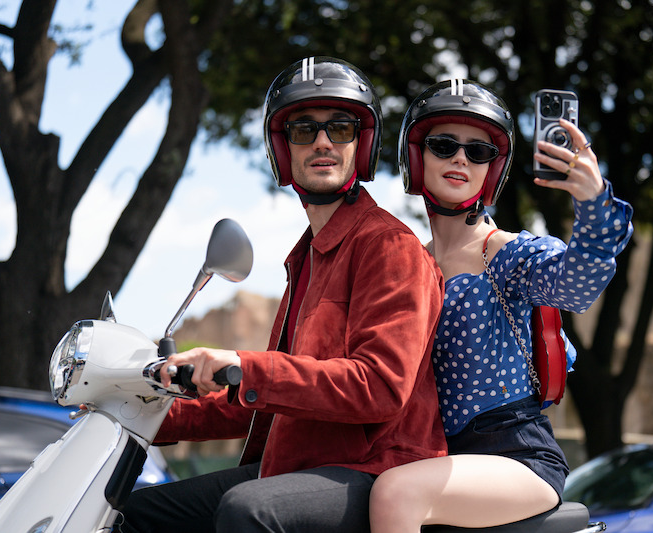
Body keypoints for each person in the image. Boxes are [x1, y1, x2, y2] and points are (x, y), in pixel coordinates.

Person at [118, 56, 447, 533]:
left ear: (363, 142)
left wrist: (247, 365)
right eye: (302, 130)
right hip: (298, 466)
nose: (322, 142)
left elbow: (380, 387)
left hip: (376, 468)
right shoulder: (307, 258)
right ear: (282, 148)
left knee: (248, 510)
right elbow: (266, 398)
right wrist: (150, 415)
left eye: (340, 127)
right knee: (132, 514)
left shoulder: (390, 247)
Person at [368, 79, 634, 532]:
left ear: (493, 169)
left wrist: (593, 204)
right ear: (417, 156)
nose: (460, 158)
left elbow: (576, 287)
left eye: (479, 152)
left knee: (396, 494)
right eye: (444, 144)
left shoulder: (508, 255)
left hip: (515, 454)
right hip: (428, 455)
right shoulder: (408, 264)